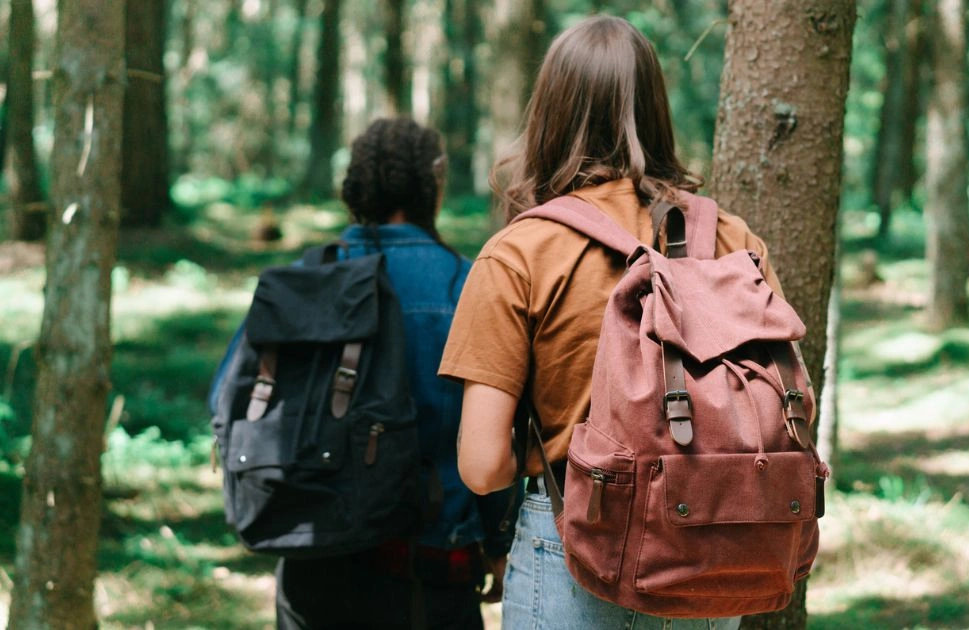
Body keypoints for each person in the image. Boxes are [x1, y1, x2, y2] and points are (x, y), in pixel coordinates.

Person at [438, 16, 787, 630]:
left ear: (549, 114)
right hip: (717, 547)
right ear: (656, 110)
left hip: (574, 549)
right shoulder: (735, 240)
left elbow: (483, 465)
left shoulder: (520, 253)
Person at [210, 117, 514, 629]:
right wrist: (500, 543)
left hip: (312, 560)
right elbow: (497, 433)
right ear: (434, 185)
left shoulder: (304, 279)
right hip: (429, 569)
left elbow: (225, 395)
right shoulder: (468, 286)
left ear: (354, 187)